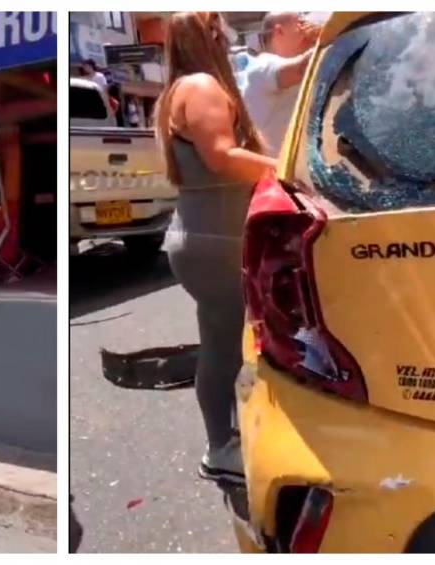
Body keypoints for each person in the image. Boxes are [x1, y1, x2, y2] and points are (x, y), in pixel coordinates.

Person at [154, 12, 276, 484]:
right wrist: (290, 168)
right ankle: (219, 446)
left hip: (206, 234)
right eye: (219, 28)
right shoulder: (202, 85)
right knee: (224, 346)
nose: (226, 37)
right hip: (214, 238)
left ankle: (225, 438)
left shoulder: (176, 91)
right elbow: (222, 157)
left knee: (222, 342)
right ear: (208, 35)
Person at [241, 12, 321, 156]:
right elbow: (301, 69)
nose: (309, 30)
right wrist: (326, 34)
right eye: (301, 24)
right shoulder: (263, 65)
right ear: (279, 31)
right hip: (272, 170)